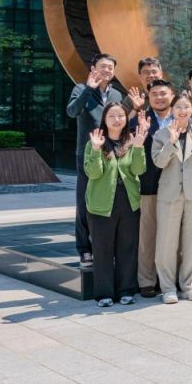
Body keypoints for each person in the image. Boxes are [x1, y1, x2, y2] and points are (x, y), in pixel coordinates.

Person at [151, 92, 192, 304]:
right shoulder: (161, 134)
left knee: (191, 242)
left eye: (186, 107)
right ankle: (168, 288)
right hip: (169, 194)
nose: (182, 110)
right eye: (178, 107)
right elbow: (158, 163)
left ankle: (189, 285)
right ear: (172, 109)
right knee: (166, 243)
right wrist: (170, 143)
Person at [83, 103, 147, 307]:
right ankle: (104, 293)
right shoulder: (95, 141)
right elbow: (93, 173)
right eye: (112, 115)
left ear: (126, 119)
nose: (117, 119)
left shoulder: (132, 141)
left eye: (121, 115)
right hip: (101, 204)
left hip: (128, 202)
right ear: (104, 119)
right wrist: (95, 150)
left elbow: (139, 170)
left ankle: (126, 290)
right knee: (102, 250)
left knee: (127, 248)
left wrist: (139, 147)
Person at [67, 52, 124, 267]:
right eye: (103, 66)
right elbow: (72, 112)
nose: (107, 70)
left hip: (111, 153)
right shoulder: (81, 89)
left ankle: (107, 247)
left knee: (109, 200)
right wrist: (89, 89)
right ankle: (84, 249)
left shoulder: (116, 94)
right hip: (87, 152)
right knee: (84, 202)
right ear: (93, 68)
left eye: (110, 67)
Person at [129, 79, 175, 298]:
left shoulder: (183, 119)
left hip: (176, 187)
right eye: (154, 94)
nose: (159, 97)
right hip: (149, 186)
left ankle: (171, 279)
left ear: (172, 95)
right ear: (149, 98)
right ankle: (147, 280)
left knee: (173, 236)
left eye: (163, 93)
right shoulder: (141, 120)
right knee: (147, 237)